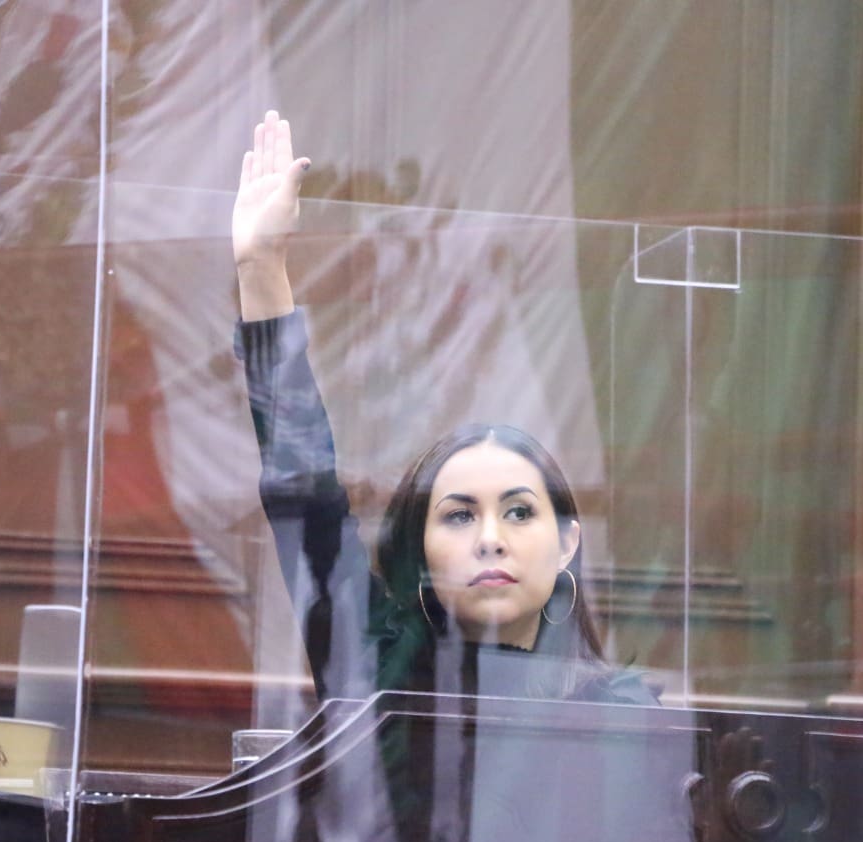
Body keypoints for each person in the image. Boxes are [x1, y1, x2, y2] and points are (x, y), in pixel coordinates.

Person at [233, 111, 653, 707]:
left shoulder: (620, 713)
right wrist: (260, 267)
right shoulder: (377, 672)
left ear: (567, 544)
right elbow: (304, 494)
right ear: (420, 551)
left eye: (519, 512)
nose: (491, 539)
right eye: (458, 516)